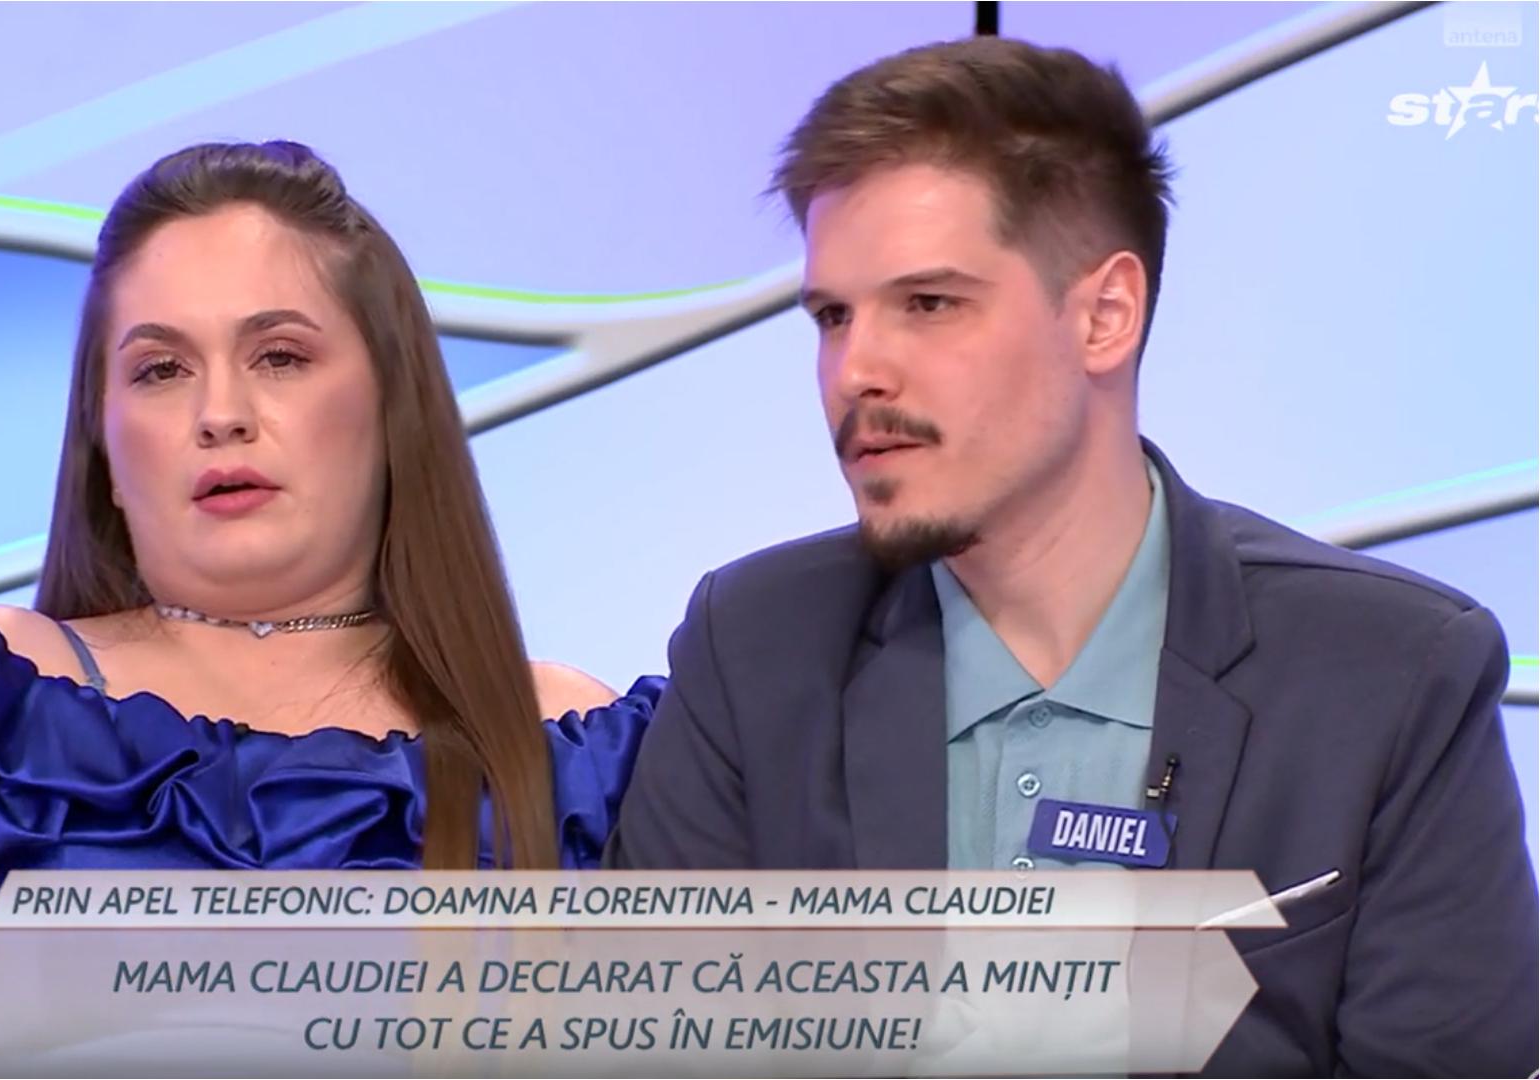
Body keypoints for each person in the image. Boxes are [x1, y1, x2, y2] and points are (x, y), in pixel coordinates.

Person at [604, 37, 1537, 1076]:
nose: (855, 369)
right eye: (832, 316)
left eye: (928, 304)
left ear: (1104, 315)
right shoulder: (755, 646)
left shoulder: (1393, 674)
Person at [0, 141, 661, 981]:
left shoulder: (571, 746)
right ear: (103, 448)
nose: (221, 414)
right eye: (161, 370)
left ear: (394, 410)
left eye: (280, 357)